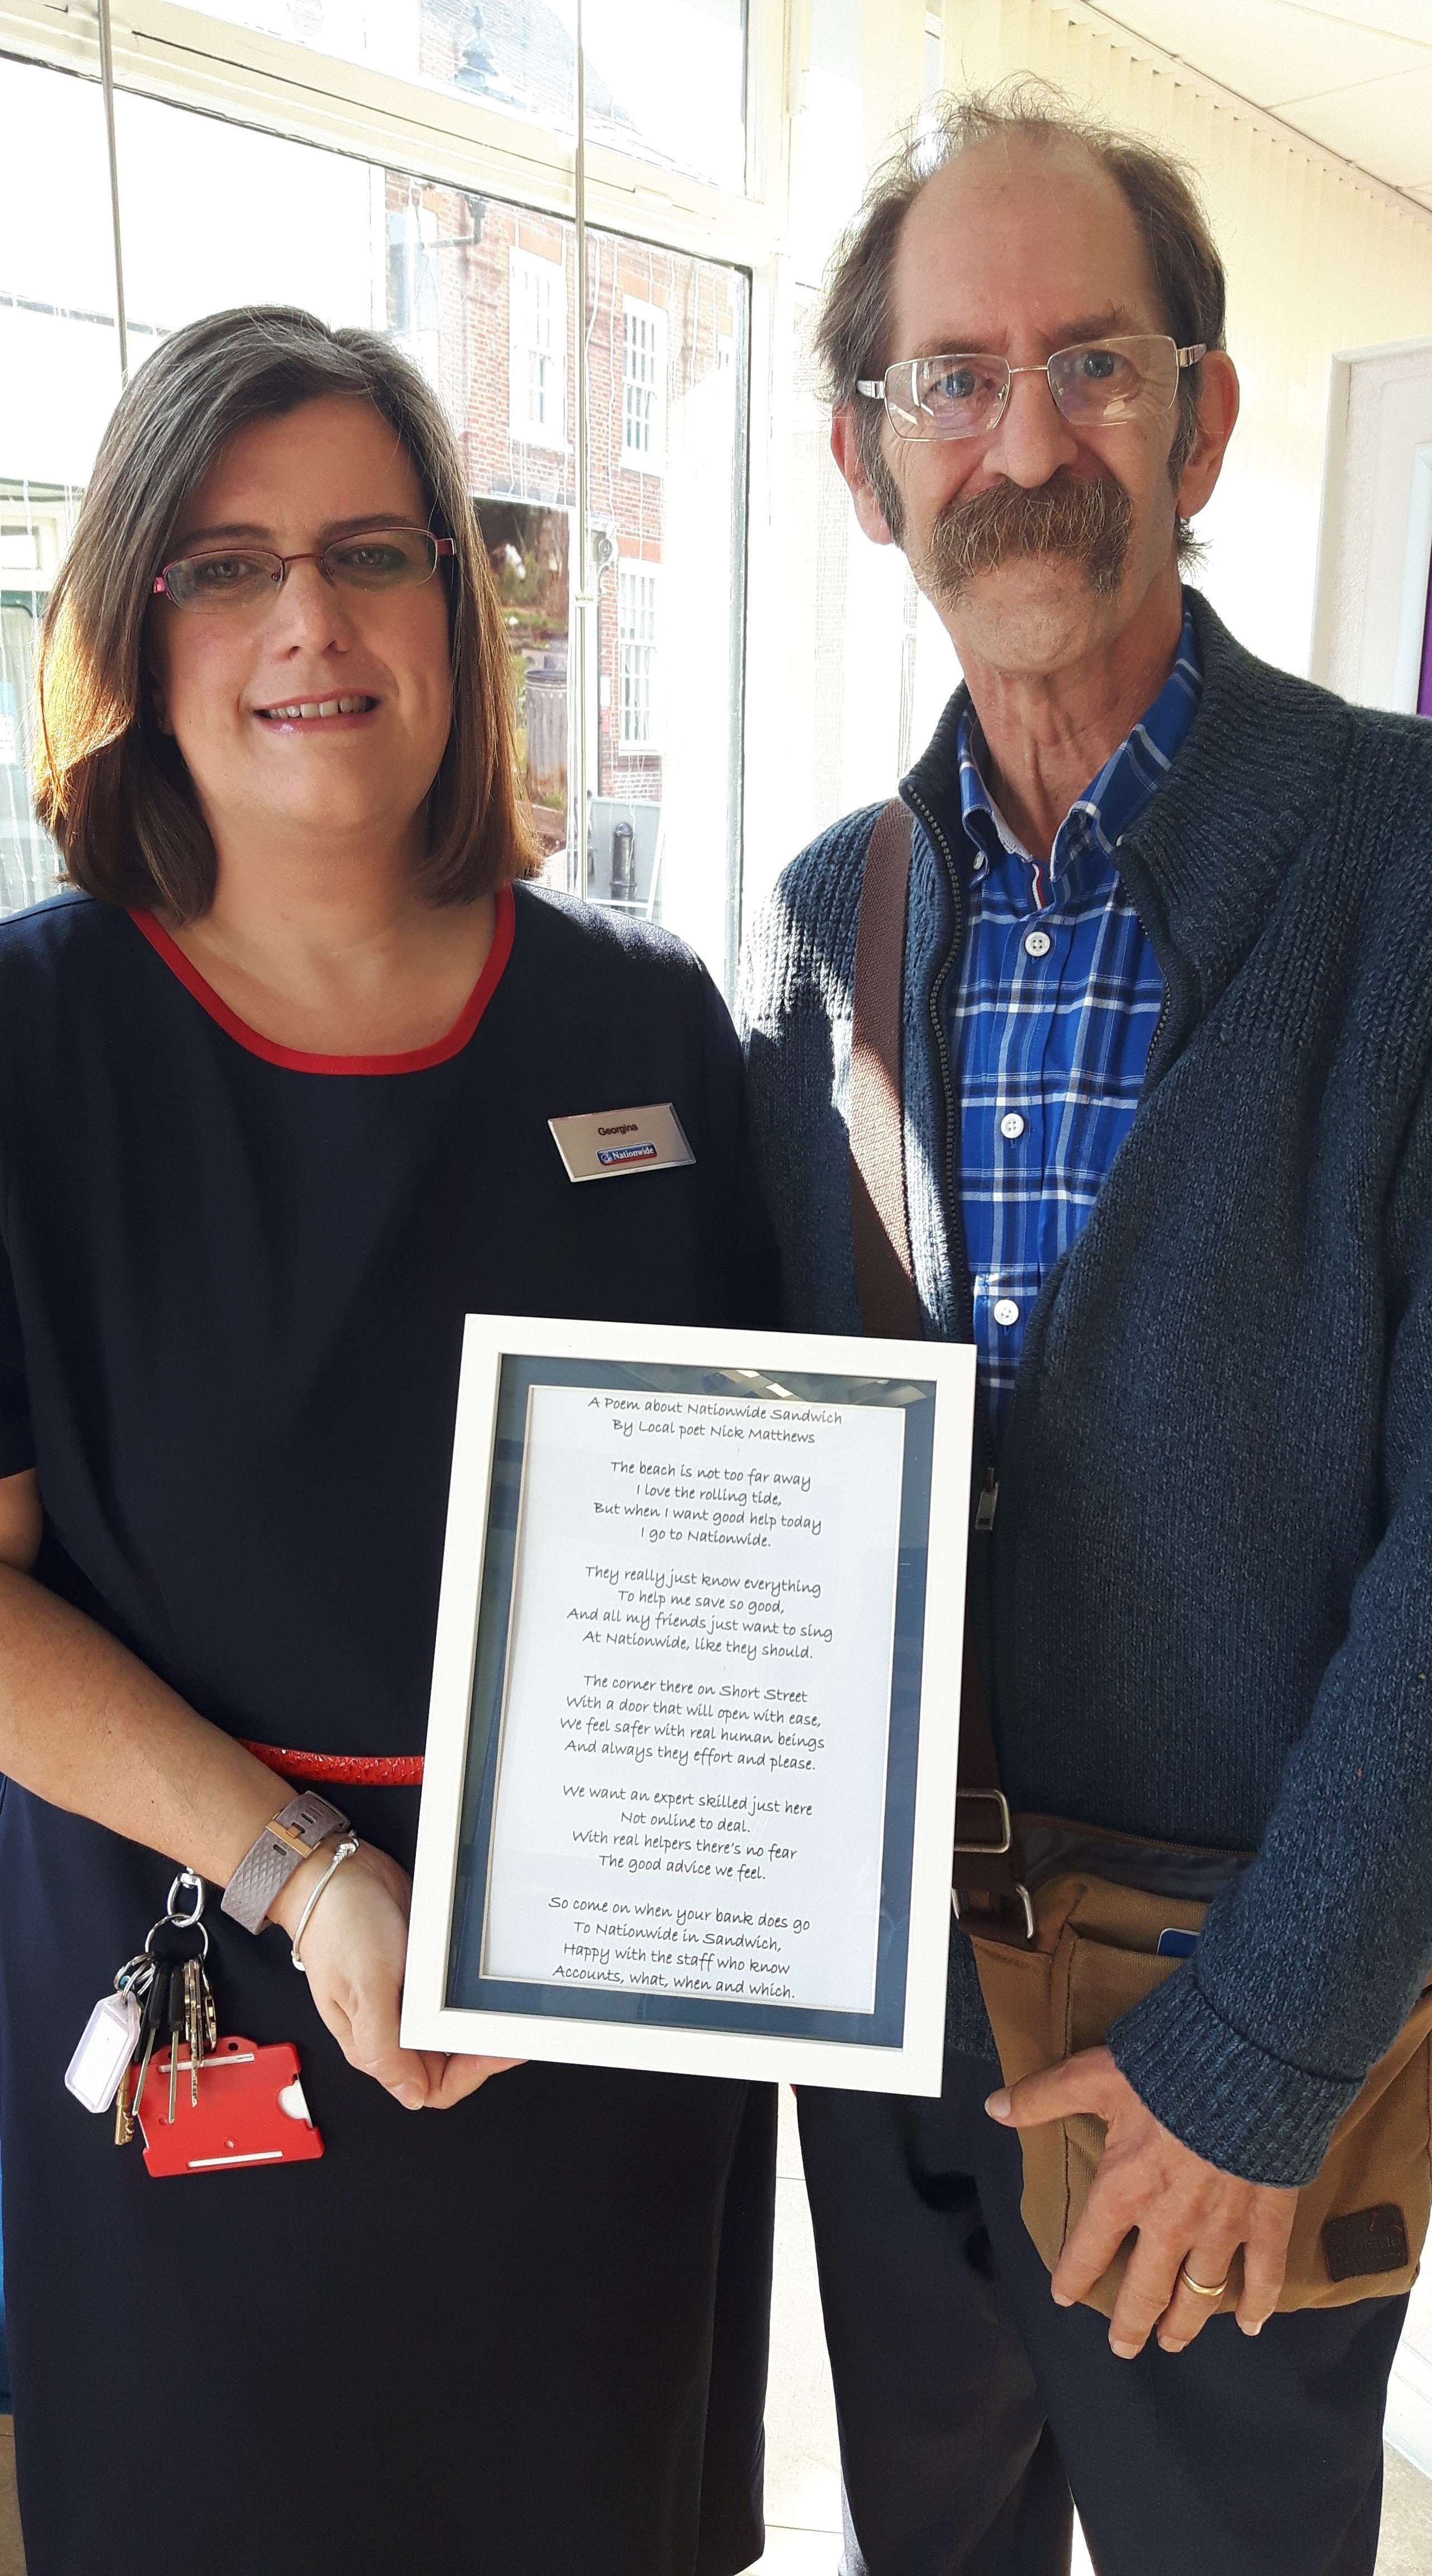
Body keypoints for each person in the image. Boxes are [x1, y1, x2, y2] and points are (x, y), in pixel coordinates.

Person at [740, 82, 1432, 2576]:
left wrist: (1269, 2052)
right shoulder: (834, 913)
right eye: (952, 380)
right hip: (884, 2004)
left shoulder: (1420, 871)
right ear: (865, 457)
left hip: (1243, 2009)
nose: (1021, 441)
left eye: (1094, 365)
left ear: (1207, 416)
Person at [0, 305, 777, 2576]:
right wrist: (311, 1880)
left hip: (603, 2063)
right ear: (133, 624)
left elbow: (766, 1514)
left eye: (373, 551)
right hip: (228, 2023)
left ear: (466, 600)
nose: (311, 622)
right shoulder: (32, 1051)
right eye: (227, 566)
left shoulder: (648, 1024)